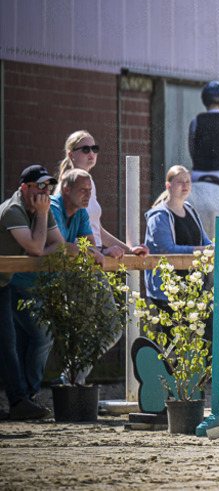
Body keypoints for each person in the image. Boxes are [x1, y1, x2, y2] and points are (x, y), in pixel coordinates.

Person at [1, 165, 64, 420]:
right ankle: (19, 401)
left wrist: (36, 250)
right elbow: (37, 248)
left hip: (2, 282)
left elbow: (58, 244)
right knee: (7, 343)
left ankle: (19, 402)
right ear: (24, 188)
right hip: (4, 281)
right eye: (39, 186)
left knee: (7, 343)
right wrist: (41, 219)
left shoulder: (41, 210)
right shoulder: (13, 210)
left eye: (48, 187)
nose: (45, 192)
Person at [50, 169, 121, 384]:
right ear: (66, 189)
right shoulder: (53, 208)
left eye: (90, 190)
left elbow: (89, 245)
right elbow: (61, 246)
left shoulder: (81, 212)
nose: (88, 195)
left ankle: (71, 378)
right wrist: (88, 251)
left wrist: (98, 251)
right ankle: (70, 382)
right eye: (83, 190)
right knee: (74, 331)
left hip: (82, 274)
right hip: (53, 279)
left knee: (114, 328)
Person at [56, 130, 148, 259]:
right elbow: (63, 236)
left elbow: (98, 230)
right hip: (78, 259)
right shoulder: (66, 187)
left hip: (94, 256)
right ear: (71, 155)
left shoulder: (90, 183)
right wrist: (100, 252)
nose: (91, 153)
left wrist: (129, 250)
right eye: (85, 149)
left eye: (94, 149)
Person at [143, 166, 212, 310]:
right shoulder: (159, 216)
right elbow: (167, 249)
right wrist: (200, 250)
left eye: (188, 181)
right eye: (180, 182)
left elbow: (204, 240)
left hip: (193, 287)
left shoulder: (190, 210)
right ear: (168, 186)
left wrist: (214, 247)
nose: (185, 185)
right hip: (167, 290)